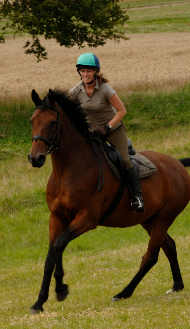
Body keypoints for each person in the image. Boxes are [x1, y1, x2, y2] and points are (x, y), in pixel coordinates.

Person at [69, 53, 144, 213]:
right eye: (82, 71)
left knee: (124, 160)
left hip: (113, 130)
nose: (85, 74)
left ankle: (137, 197)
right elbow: (64, 104)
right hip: (92, 133)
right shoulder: (77, 89)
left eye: (88, 71)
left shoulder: (105, 89)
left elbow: (122, 111)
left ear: (95, 72)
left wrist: (107, 127)